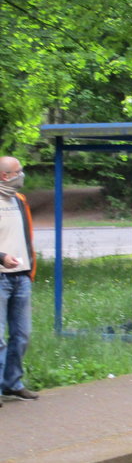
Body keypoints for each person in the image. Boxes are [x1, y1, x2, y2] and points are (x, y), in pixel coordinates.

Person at [0, 156, 37, 404]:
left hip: (21, 277)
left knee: (22, 334)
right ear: (5, 175)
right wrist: (2, 257)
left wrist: (30, 269)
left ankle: (12, 383)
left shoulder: (20, 200)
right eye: (18, 171)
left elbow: (27, 237)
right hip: (1, 277)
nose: (21, 174)